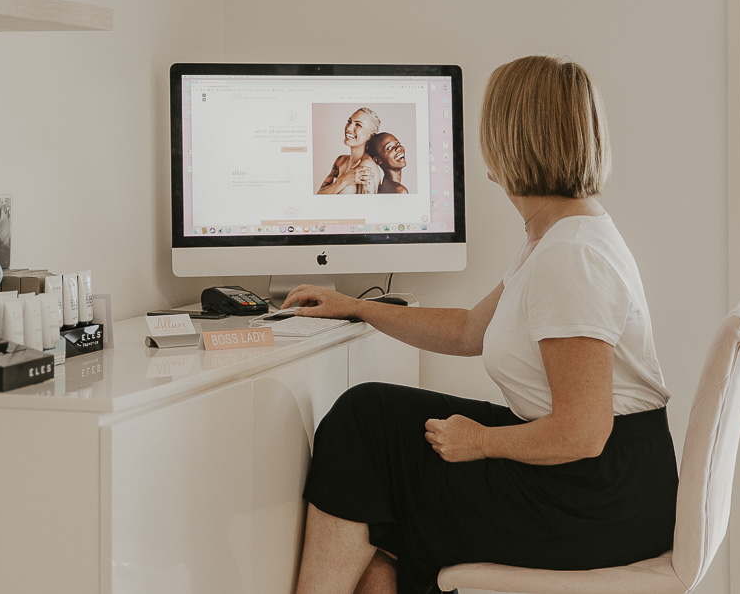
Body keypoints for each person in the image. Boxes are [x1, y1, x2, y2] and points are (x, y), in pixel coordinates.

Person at [283, 55, 675, 594]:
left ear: (510, 142)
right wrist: (358, 306)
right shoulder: (556, 235)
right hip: (600, 482)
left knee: (364, 429)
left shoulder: (572, 256)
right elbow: (470, 329)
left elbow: (584, 433)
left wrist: (482, 442)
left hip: (595, 499)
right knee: (370, 424)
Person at [318, 108, 385, 194]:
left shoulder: (366, 167)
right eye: (349, 121)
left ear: (370, 136)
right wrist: (343, 180)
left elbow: (367, 206)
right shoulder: (340, 160)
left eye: (358, 125)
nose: (348, 128)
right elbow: (319, 195)